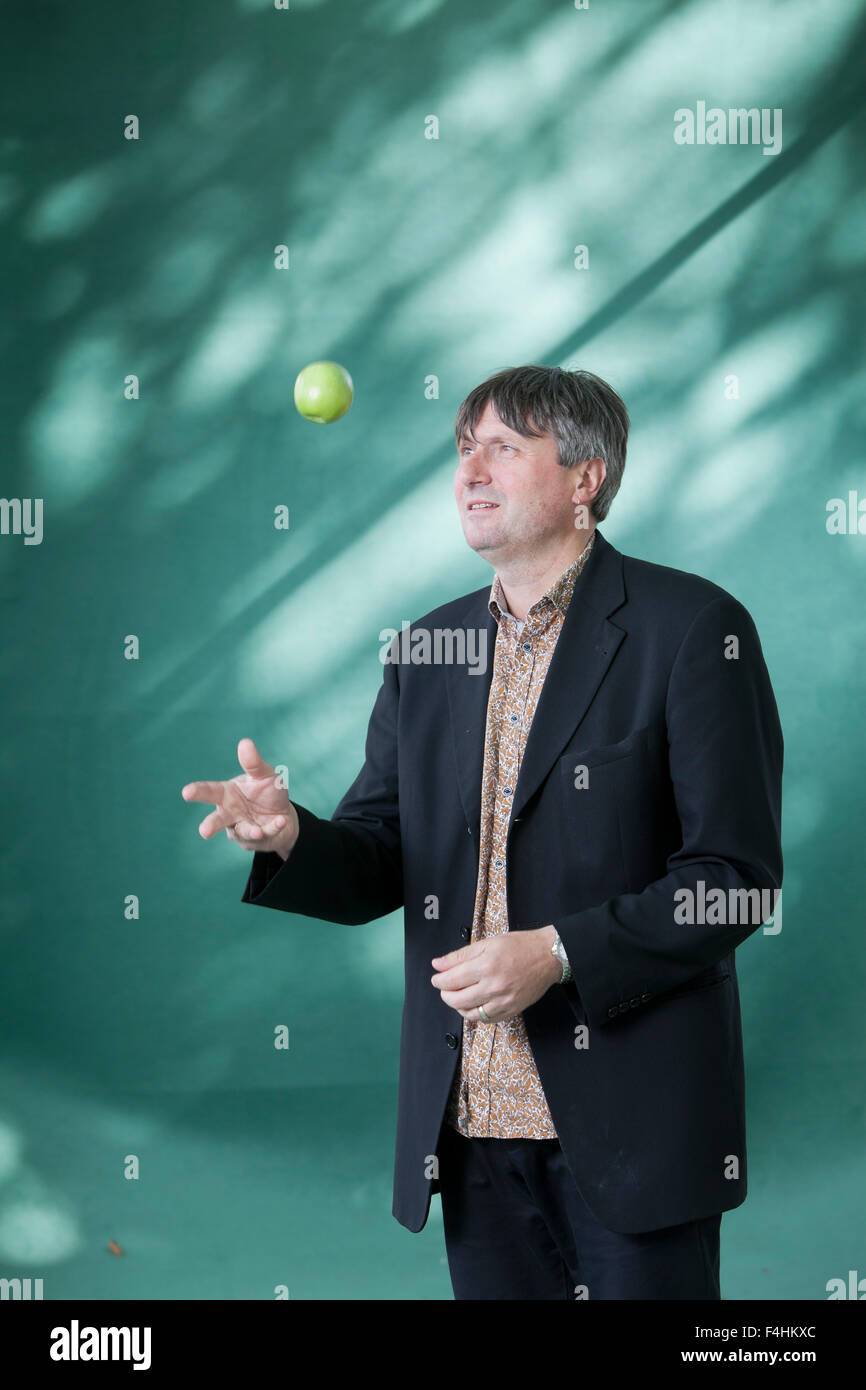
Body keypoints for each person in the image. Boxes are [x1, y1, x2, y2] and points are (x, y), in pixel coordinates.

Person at [182, 365, 783, 1300]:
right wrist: (291, 836)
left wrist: (557, 953)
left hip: (632, 1133)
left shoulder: (695, 628)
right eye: (465, 449)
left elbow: (734, 879)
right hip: (466, 1133)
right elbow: (380, 864)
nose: (471, 469)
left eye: (504, 447)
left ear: (586, 479)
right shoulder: (426, 650)